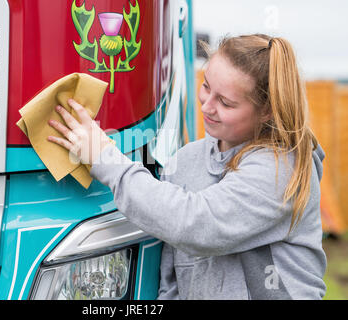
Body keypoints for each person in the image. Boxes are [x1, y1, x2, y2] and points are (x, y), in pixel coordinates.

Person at [47, 34, 327, 300]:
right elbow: (172, 266)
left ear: (267, 110)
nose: (206, 106)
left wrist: (104, 157)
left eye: (226, 103)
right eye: (206, 86)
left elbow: (195, 224)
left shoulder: (282, 169)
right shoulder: (188, 160)